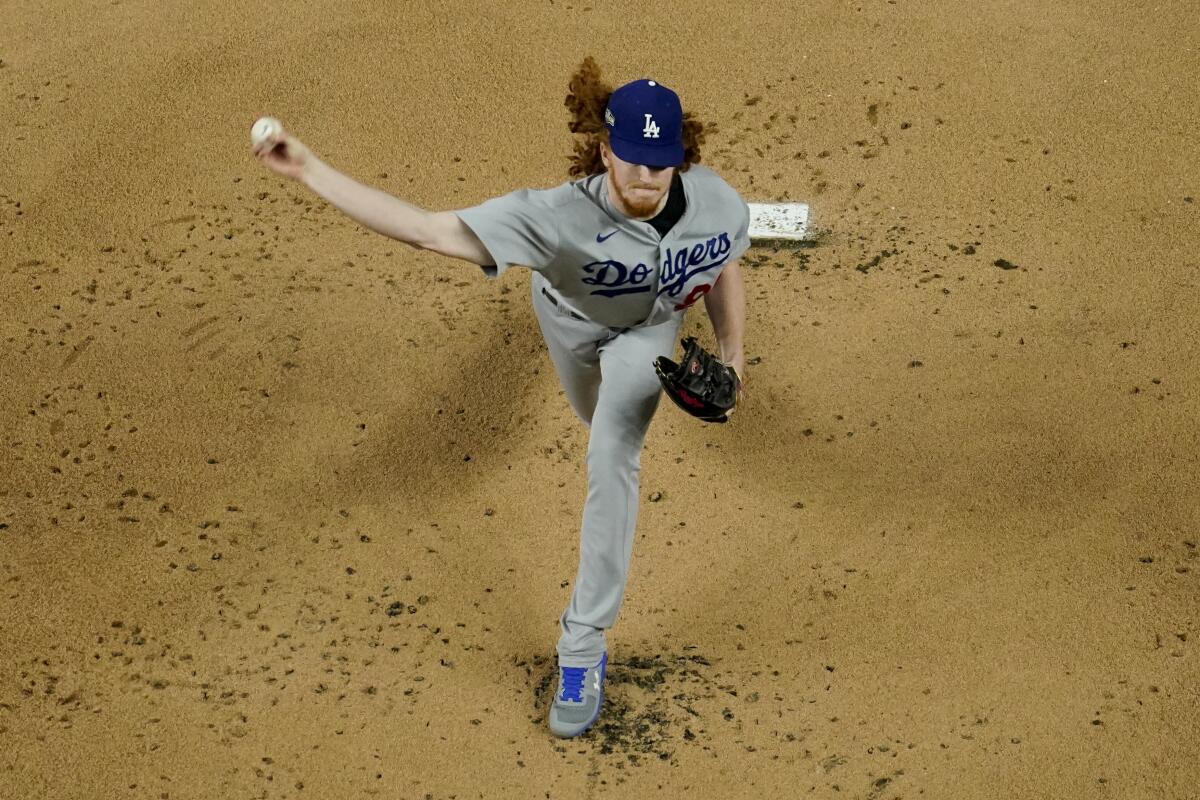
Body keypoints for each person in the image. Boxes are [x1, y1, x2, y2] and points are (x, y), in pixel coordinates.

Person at [251, 56, 751, 738]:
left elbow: (721, 266)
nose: (642, 175)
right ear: (605, 149)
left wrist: (733, 357)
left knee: (611, 450)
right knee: (590, 408)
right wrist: (310, 168)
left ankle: (581, 649)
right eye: (629, 157)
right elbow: (427, 230)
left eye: (657, 162)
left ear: (679, 156)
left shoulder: (719, 203)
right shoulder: (549, 218)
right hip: (568, 320)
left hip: (650, 332)